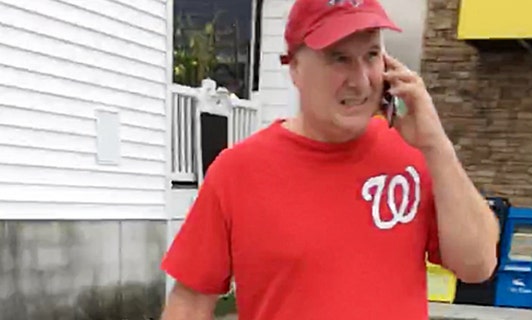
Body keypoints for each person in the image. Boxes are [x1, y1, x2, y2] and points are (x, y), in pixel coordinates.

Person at [160, 0, 500, 319]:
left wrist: (437, 145)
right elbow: (190, 300)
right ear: (294, 68)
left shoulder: (415, 155)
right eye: (339, 58)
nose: (360, 79)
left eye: (371, 55)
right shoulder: (238, 171)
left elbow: (478, 265)